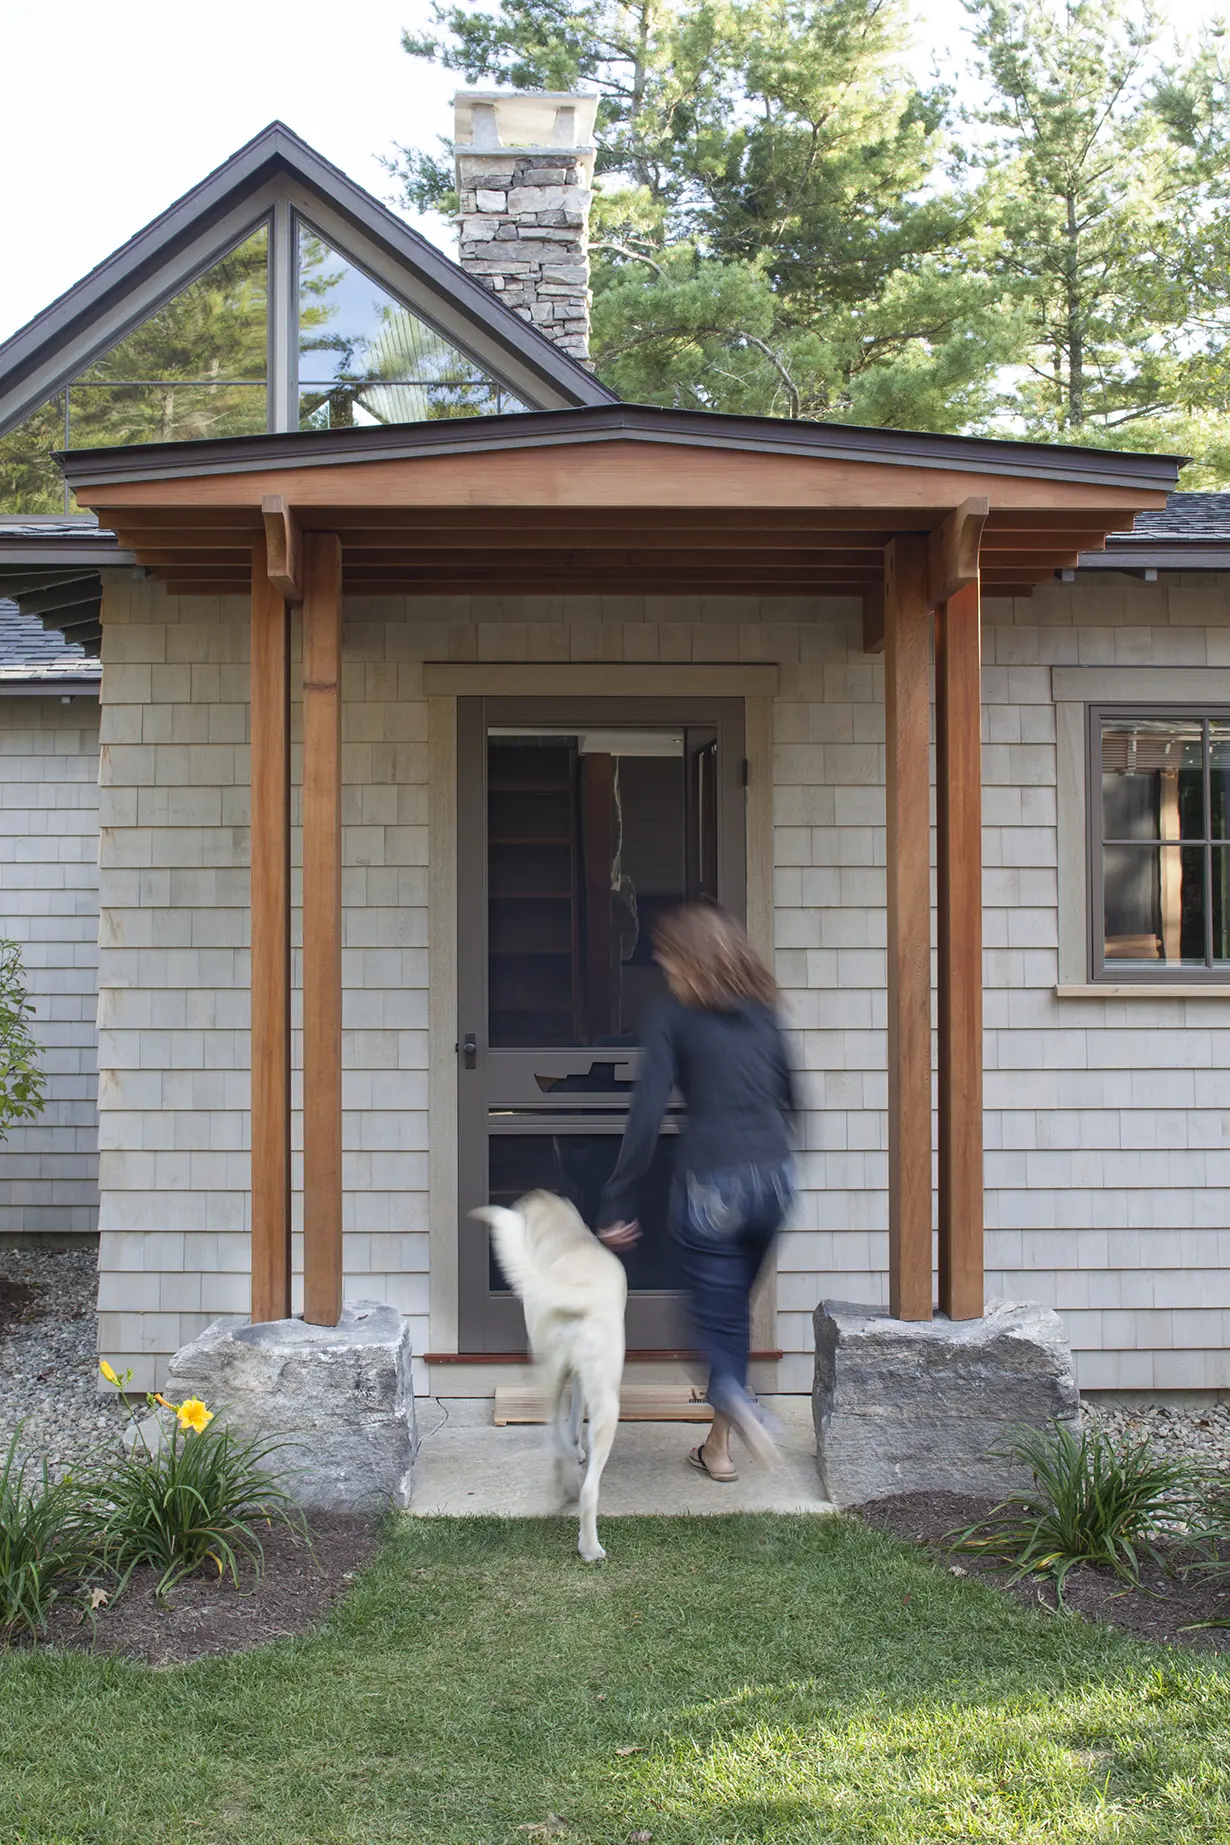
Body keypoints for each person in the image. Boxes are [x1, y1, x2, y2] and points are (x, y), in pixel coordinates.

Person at [596, 903, 796, 1480]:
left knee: (706, 1324)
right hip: (775, 1181)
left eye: (664, 953)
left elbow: (646, 1112)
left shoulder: (672, 1013)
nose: (659, 962)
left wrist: (616, 1198)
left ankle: (734, 1391)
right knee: (732, 1310)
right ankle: (719, 1446)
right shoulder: (763, 1012)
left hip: (716, 1180)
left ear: (687, 959)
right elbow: (794, 1094)